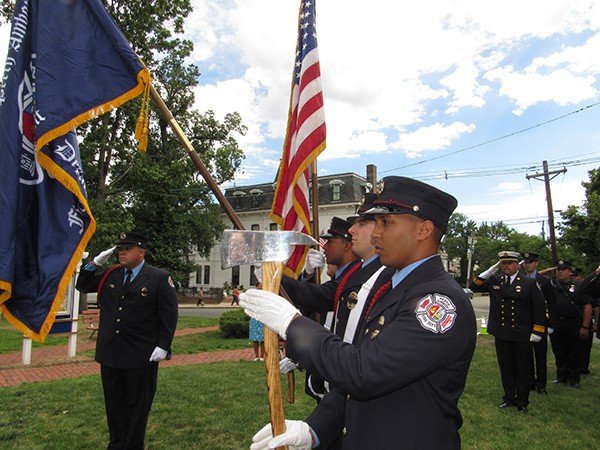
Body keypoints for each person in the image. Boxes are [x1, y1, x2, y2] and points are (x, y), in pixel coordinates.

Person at [241, 176, 476, 450]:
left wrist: (293, 324)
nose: (375, 234)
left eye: (386, 222)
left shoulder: (438, 302)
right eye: (375, 223)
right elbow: (353, 381)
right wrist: (315, 429)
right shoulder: (391, 285)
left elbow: (364, 372)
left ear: (423, 229)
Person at [76, 232, 178, 450]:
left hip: (140, 355)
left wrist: (163, 346)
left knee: (137, 408)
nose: (122, 253)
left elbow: (169, 315)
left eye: (128, 249)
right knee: (114, 406)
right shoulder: (111, 275)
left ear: (141, 252)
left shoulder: (158, 278)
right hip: (111, 354)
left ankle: (132, 446)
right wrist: (94, 264)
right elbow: (82, 285)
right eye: (120, 249)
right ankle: (116, 445)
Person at [471, 251, 546, 413]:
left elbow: (539, 308)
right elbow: (474, 286)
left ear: (517, 264)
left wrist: (537, 331)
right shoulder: (495, 281)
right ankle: (508, 397)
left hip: (521, 333)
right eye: (503, 263)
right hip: (502, 332)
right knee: (506, 367)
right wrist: (490, 270)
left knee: (523, 368)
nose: (506, 266)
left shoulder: (528, 283)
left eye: (510, 263)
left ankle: (522, 400)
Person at [546, 260, 592, 387]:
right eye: (558, 270)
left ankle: (574, 378)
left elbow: (587, 306)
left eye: (563, 270)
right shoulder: (552, 285)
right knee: (559, 351)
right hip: (556, 323)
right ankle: (561, 376)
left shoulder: (578, 286)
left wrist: (585, 326)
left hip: (573, 322)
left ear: (569, 272)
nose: (559, 272)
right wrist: (549, 270)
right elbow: (534, 277)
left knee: (574, 351)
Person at [521, 252, 551, 394]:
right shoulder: (520, 279)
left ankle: (541, 384)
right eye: (526, 262)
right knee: (526, 355)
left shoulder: (544, 281)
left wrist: (551, 323)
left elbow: (551, 303)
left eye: (530, 262)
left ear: (536, 263)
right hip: (524, 322)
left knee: (540, 354)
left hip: (539, 321)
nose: (528, 265)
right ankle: (530, 381)